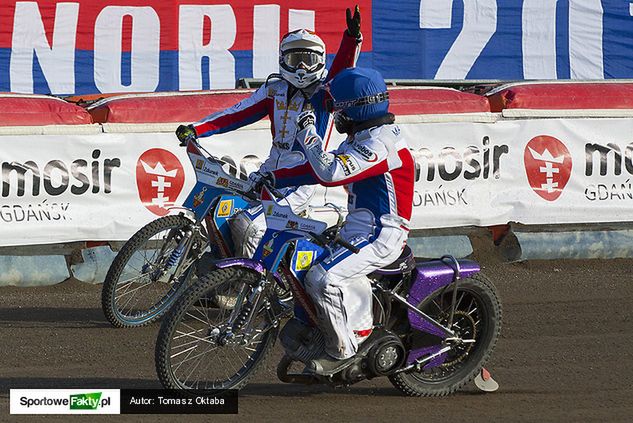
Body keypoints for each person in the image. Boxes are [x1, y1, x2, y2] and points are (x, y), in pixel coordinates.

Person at [175, 6, 363, 258]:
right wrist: (196, 129)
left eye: (310, 60)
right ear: (283, 59)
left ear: (321, 61)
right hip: (268, 172)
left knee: (249, 227)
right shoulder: (273, 89)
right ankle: (220, 279)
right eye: (297, 60)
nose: (303, 68)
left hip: (301, 179)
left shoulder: (324, 92)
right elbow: (236, 114)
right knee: (222, 210)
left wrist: (351, 40)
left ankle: (248, 290)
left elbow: (342, 71)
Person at [264, 67, 415, 375]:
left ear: (356, 107)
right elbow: (317, 170)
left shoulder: (379, 145)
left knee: (322, 278)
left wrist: (309, 134)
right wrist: (273, 177)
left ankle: (342, 349)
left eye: (338, 106)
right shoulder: (363, 136)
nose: (334, 112)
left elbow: (330, 173)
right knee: (301, 257)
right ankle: (322, 328)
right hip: (358, 228)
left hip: (383, 234)